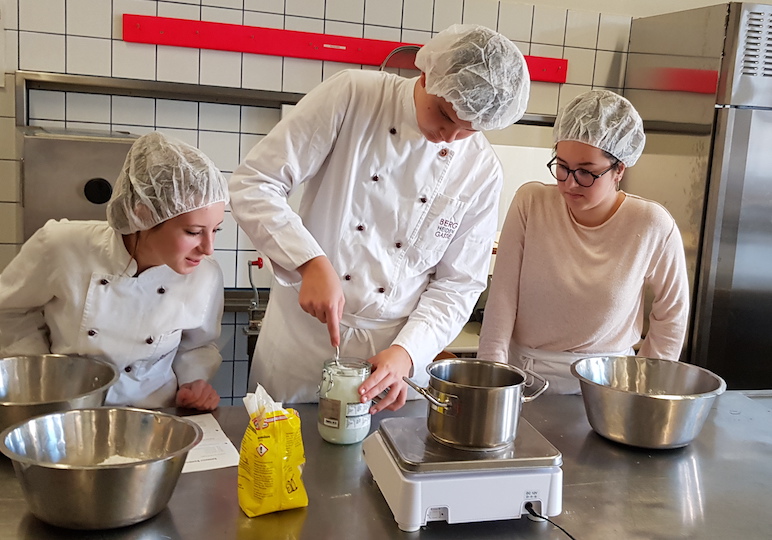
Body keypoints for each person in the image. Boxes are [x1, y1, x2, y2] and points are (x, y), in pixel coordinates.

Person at [228, 24, 530, 410]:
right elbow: (255, 182)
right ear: (428, 74)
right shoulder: (353, 95)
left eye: (467, 130)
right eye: (442, 114)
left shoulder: (481, 170)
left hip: (392, 362)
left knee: (387, 465)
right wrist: (309, 262)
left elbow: (459, 284)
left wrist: (407, 353)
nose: (448, 136)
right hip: (302, 344)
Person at [477, 90, 690, 394]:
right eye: (562, 167)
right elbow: (502, 298)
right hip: (525, 377)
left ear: (619, 169)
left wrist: (643, 389)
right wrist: (492, 380)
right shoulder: (531, 203)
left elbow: (672, 313)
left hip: (611, 386)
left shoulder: (651, 224)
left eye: (587, 173)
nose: (569, 183)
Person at [0, 132, 228, 411]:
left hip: (154, 416)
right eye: (193, 232)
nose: (208, 248)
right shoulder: (61, 245)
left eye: (216, 230)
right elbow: (9, 312)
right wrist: (39, 371)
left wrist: (194, 382)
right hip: (68, 412)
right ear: (144, 214)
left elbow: (197, 346)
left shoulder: (205, 276)